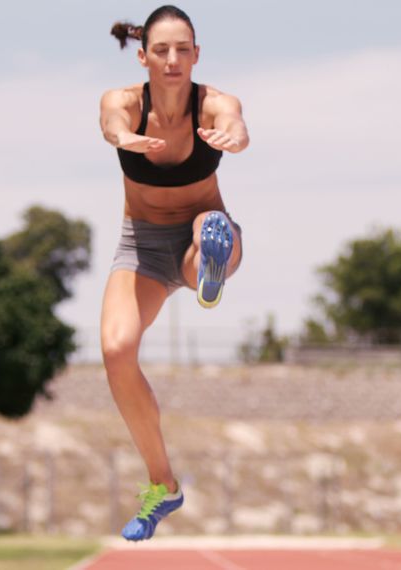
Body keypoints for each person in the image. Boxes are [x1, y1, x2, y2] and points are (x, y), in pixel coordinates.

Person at [100, 5, 249, 541]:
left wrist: (233, 136)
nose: (172, 60)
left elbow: (237, 123)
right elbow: (111, 123)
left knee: (210, 227)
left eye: (182, 49)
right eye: (161, 50)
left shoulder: (214, 104)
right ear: (143, 55)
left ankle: (212, 264)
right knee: (117, 351)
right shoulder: (122, 103)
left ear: (196, 54)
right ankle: (162, 485)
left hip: (197, 233)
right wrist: (123, 138)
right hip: (140, 245)